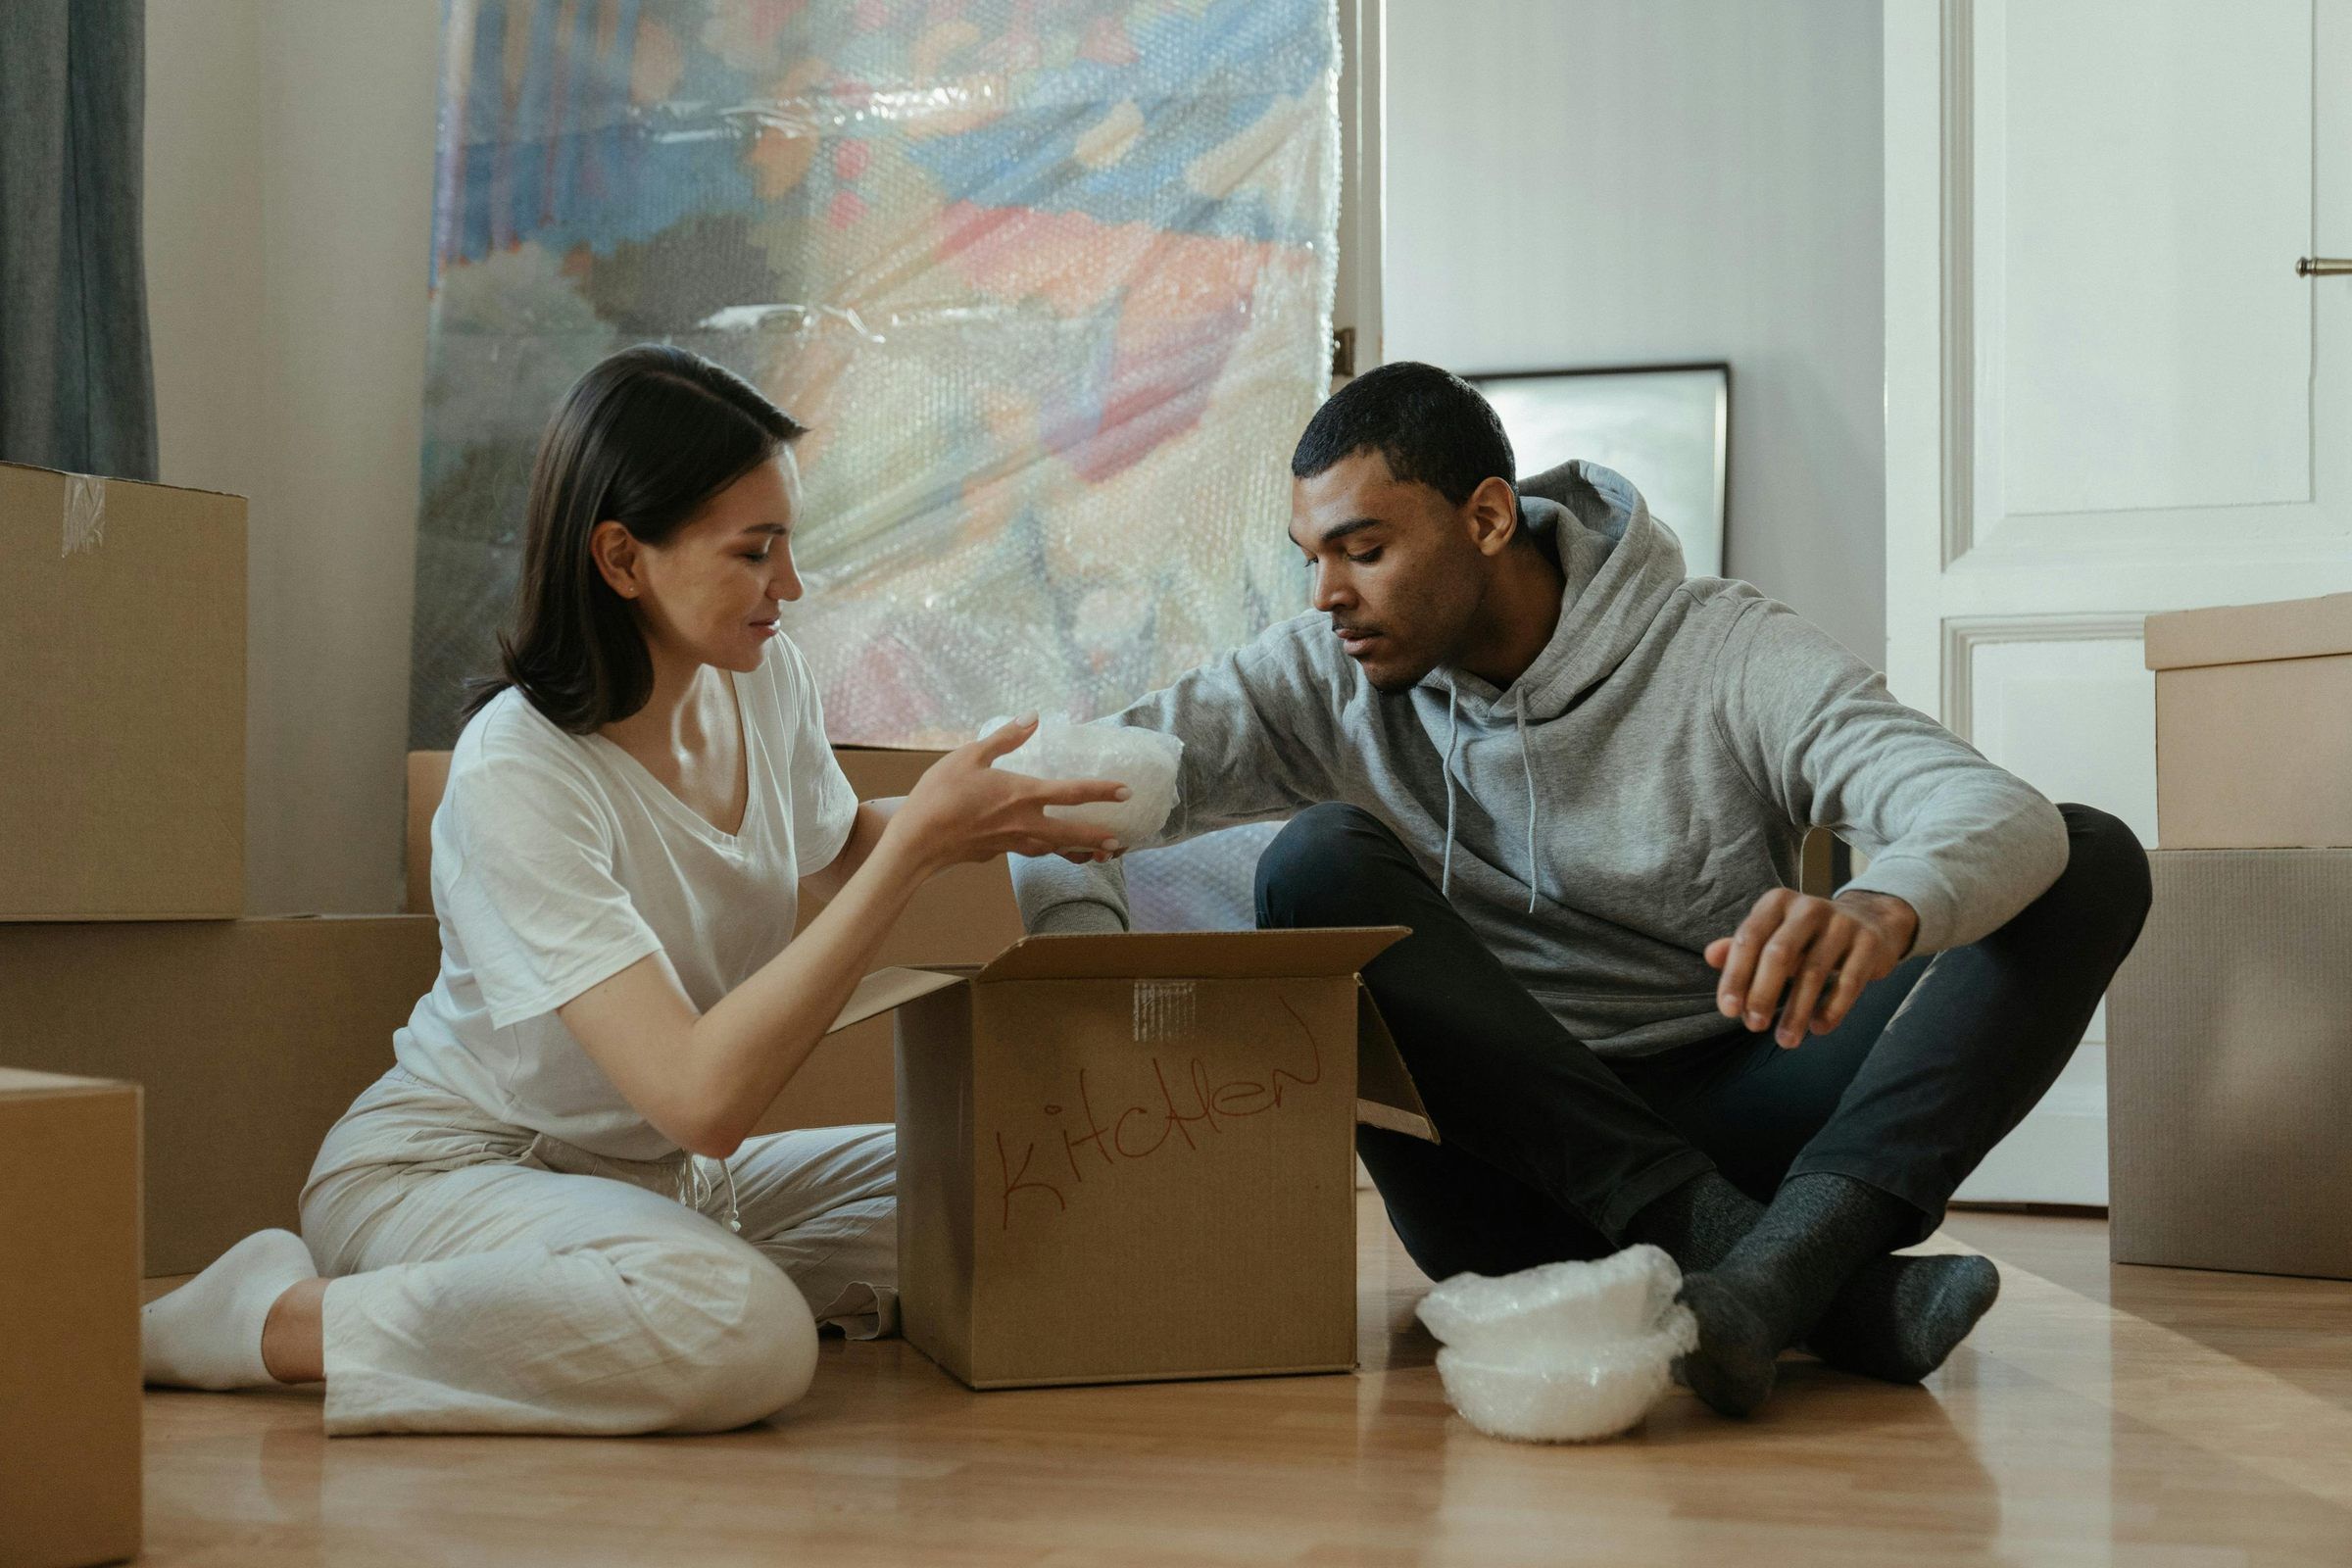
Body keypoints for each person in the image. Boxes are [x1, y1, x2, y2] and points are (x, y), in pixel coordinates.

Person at [1011, 361, 2152, 1418]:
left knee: (2087, 851)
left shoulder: (1718, 650)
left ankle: (1776, 1267)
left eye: (1362, 549)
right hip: (1504, 1171)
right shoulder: (1327, 671)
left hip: (1741, 1099)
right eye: (1311, 554)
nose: (1326, 593)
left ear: (1489, 517)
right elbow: (1049, 793)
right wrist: (1065, 959)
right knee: (1314, 859)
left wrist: (1878, 903)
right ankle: (1790, 1275)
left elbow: (1993, 812)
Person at [139, 346, 1127, 1436]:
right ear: (621, 558)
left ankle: (619, 1295)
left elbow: (838, 845)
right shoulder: (520, 771)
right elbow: (703, 1100)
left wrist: (978, 817)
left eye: (787, 544)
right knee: (744, 1331)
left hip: (666, 1181)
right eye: (753, 552)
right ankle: (268, 1319)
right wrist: (913, 856)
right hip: (458, 1170)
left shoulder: (756, 679)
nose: (787, 587)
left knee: (1018, 1171)